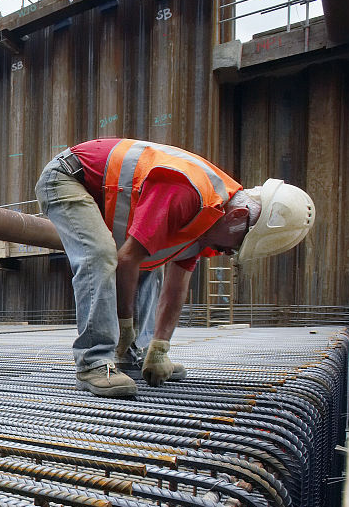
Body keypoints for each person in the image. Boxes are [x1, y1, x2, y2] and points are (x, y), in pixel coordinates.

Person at [35, 138, 315, 398]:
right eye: (239, 244)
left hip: (99, 191)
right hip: (68, 177)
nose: (230, 253)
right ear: (238, 216)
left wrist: (160, 347)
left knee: (149, 260)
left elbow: (176, 286)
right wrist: (124, 323)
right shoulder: (189, 192)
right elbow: (127, 260)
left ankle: (129, 355)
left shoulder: (210, 221)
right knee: (99, 255)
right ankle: (93, 362)